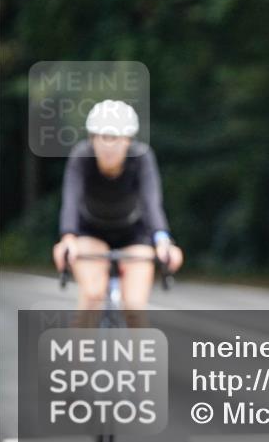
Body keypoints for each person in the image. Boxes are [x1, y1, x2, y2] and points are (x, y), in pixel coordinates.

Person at [52, 99, 183, 312]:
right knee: (93, 297)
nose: (108, 146)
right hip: (90, 231)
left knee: (134, 307)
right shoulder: (81, 157)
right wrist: (67, 238)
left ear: (128, 141)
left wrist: (163, 240)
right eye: (102, 137)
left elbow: (151, 202)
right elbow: (71, 199)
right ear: (92, 139)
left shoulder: (141, 157)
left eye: (117, 138)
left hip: (133, 232)